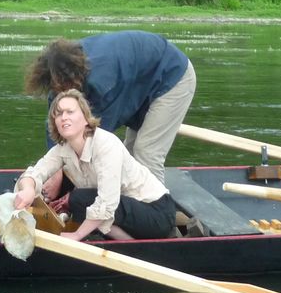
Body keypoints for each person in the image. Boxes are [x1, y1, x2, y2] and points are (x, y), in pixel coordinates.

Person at [24, 30, 196, 181]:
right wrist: (55, 172)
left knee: (146, 154)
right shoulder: (58, 80)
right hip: (141, 80)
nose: (60, 92)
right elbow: (55, 129)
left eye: (63, 87)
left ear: (74, 77)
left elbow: (96, 138)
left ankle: (157, 212)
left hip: (171, 76)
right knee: (127, 157)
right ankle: (129, 208)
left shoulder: (102, 84)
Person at [13, 89, 177, 241]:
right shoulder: (63, 150)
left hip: (156, 215)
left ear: (85, 118)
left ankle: (135, 248)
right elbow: (36, 172)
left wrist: (77, 235)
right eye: (58, 114)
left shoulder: (106, 144)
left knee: (79, 199)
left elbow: (107, 202)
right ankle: (107, 236)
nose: (64, 117)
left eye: (70, 112)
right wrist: (28, 189)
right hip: (125, 212)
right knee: (75, 196)